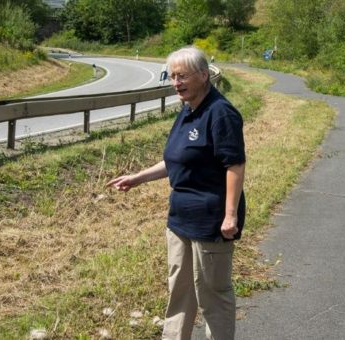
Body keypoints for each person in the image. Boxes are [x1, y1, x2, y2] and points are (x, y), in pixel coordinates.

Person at [106, 46, 246, 340]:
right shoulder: (187, 110)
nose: (176, 82)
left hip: (211, 221)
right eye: (172, 76)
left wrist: (230, 215)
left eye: (182, 76)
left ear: (203, 75)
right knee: (179, 292)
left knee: (213, 295)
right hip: (180, 218)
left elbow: (234, 165)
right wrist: (137, 178)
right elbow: (176, 160)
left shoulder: (221, 114)